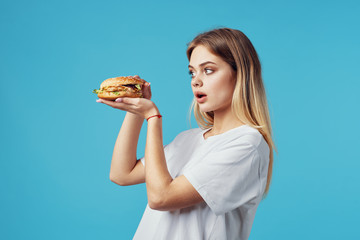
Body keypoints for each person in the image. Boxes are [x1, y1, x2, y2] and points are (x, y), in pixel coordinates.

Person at [96, 27, 276, 240]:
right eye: (192, 72)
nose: (196, 81)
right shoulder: (188, 139)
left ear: (240, 74)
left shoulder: (247, 145)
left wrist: (152, 118)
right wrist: (135, 110)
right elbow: (121, 174)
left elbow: (161, 198)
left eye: (208, 70)